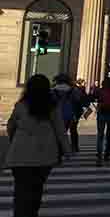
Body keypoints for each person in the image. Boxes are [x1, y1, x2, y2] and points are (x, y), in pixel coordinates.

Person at [4, 74, 70, 217]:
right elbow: (60, 130)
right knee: (36, 190)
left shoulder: (21, 105)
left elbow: (10, 126)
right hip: (43, 157)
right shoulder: (52, 107)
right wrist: (67, 151)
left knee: (21, 192)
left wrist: (15, 140)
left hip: (20, 156)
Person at [52, 74, 82, 153]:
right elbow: (78, 101)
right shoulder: (74, 90)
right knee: (73, 130)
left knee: (59, 133)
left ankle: (59, 150)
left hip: (57, 114)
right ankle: (74, 147)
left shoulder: (53, 90)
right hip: (70, 114)